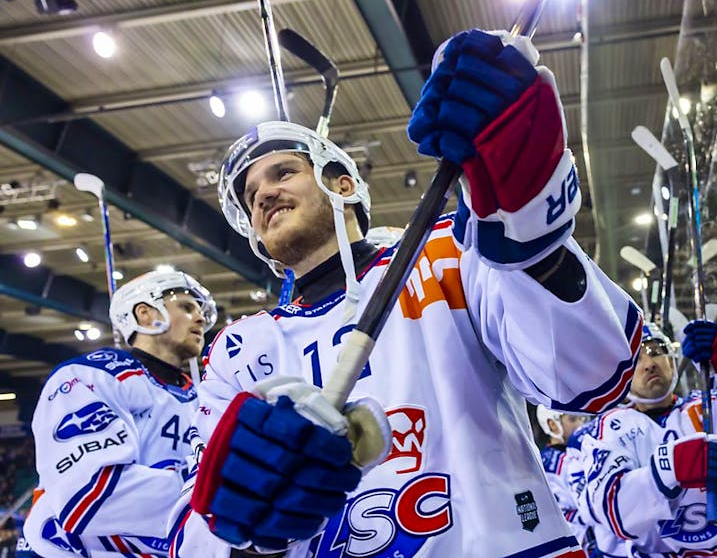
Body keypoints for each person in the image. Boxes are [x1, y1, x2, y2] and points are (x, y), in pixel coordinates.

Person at [171, 29, 642, 558]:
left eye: (283, 172)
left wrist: (527, 231)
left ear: (344, 185)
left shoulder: (447, 250)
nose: (265, 196)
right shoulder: (238, 351)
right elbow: (196, 530)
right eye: (252, 196)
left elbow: (591, 375)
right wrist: (251, 531)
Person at [22, 269, 216, 557]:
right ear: (146, 314)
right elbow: (90, 497)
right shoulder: (91, 375)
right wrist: (213, 489)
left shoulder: (204, 400)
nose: (200, 319)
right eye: (187, 308)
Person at [580, 322, 717, 558]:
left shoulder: (710, 405)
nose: (649, 364)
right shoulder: (610, 428)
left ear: (672, 360)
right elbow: (613, 511)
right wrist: (671, 469)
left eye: (656, 352)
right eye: (636, 360)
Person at [536, 406, 591, 549]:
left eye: (582, 418)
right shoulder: (550, 466)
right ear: (552, 425)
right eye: (573, 419)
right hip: (582, 542)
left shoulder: (582, 451)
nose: (580, 424)